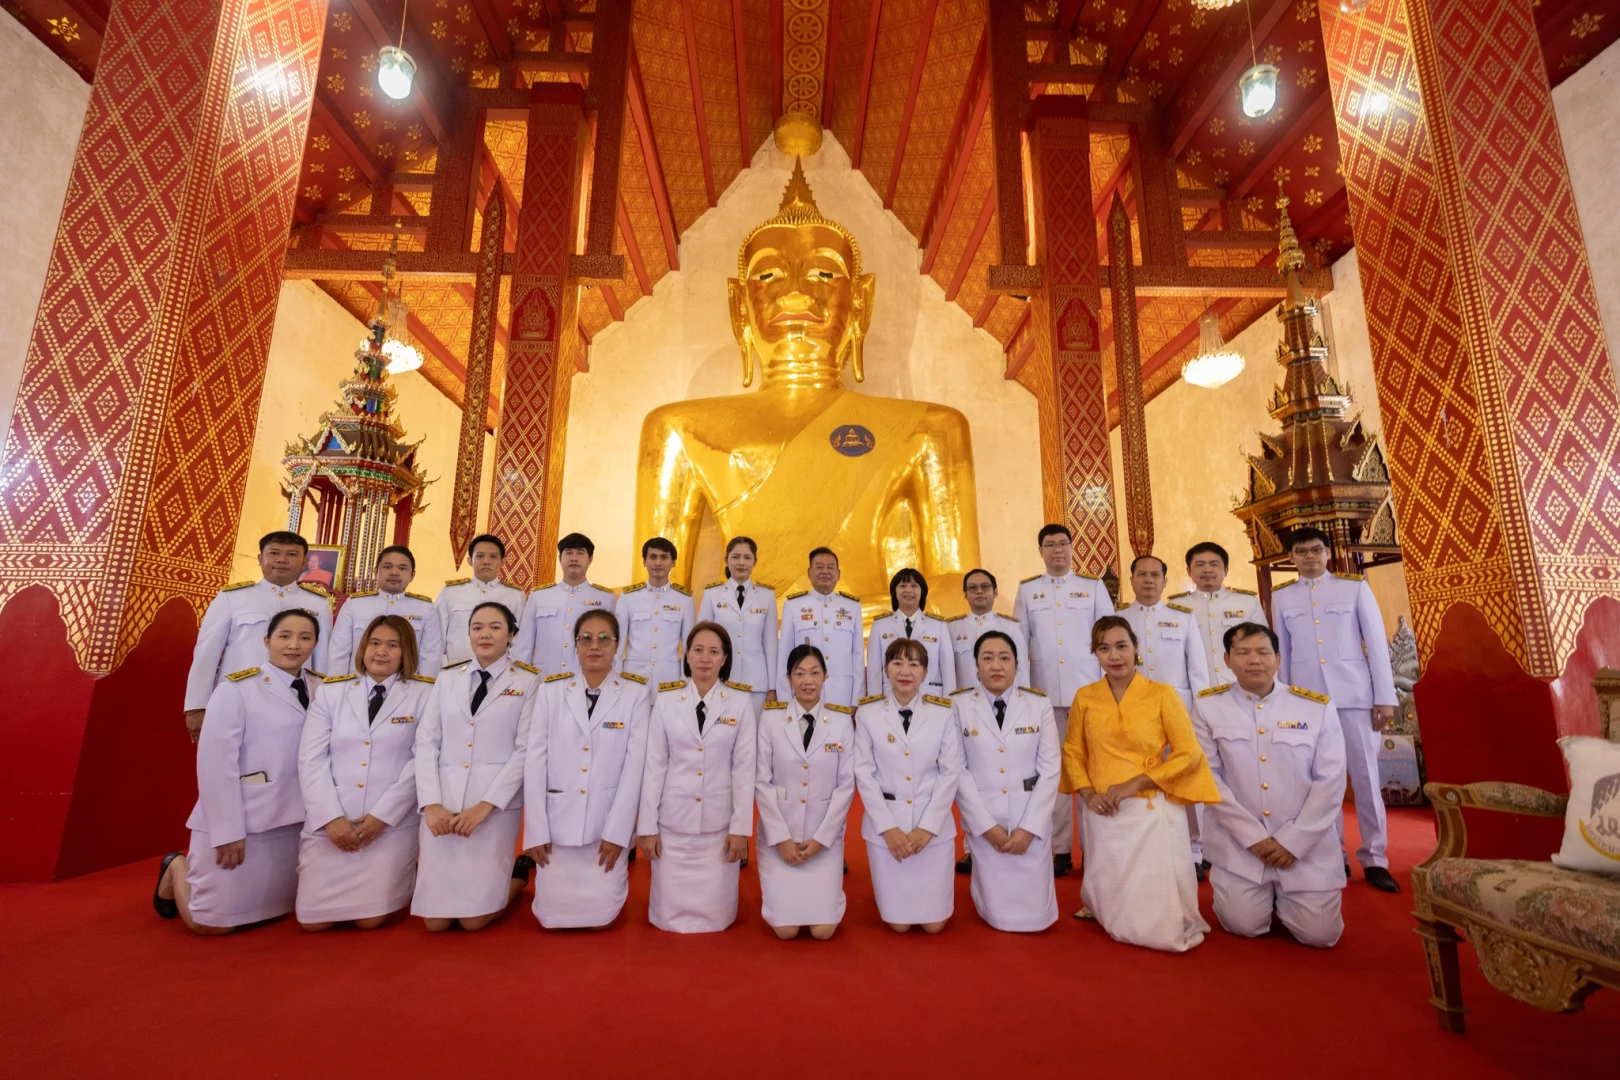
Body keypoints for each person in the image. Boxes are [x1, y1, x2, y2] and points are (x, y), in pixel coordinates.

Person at [154, 609, 324, 933]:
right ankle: (176, 866)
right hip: (244, 820)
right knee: (211, 925)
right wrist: (228, 832)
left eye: (305, 637)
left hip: (293, 822)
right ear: (266, 640)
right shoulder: (237, 689)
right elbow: (215, 765)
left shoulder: (322, 688)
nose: (294, 645)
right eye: (284, 636)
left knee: (278, 911)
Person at [1062, 616, 1220, 953]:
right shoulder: (1085, 697)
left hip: (1150, 804)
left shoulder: (1162, 694)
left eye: (1121, 646)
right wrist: (1088, 794)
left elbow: (1188, 754)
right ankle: (1101, 904)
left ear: (1136, 649)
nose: (1114, 655)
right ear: (1095, 653)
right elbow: (1073, 751)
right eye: (1104, 648)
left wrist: (1137, 783)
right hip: (1102, 805)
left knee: (1156, 922)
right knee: (1108, 892)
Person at [1194, 623, 1347, 948]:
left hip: (1305, 847)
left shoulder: (1315, 707)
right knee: (1242, 925)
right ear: (1226, 660)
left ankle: (1287, 897)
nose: (1254, 660)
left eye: (1263, 652)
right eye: (1243, 653)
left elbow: (1330, 782)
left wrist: (1293, 841)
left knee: (1321, 937)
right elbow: (1208, 778)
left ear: (1278, 658)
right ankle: (1266, 897)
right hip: (1241, 845)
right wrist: (1253, 839)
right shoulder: (1208, 707)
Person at [1271, 527, 1401, 894]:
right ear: (1291, 558)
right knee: (1317, 783)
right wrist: (1282, 698)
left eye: (1316, 550)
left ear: (1327, 553)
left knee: (1366, 780)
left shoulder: (1354, 587)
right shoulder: (1282, 597)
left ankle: (1375, 859)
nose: (1309, 557)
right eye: (1301, 552)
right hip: (1306, 702)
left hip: (1355, 699)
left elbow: (1376, 643)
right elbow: (1284, 654)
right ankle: (1333, 855)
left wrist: (1385, 697)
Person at [295, 614, 434, 931]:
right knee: (313, 923)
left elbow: (421, 761)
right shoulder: (332, 693)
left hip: (389, 824)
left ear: (406, 652)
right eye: (374, 643)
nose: (381, 652)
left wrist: (381, 818)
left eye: (392, 645)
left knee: (369, 920)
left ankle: (407, 872)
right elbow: (311, 759)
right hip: (331, 821)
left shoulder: (425, 695)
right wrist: (330, 819)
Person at [522, 610, 652, 930]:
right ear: (575, 646)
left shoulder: (635, 694)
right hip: (557, 826)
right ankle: (516, 879)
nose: (595, 645)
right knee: (550, 919)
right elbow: (534, 761)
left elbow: (634, 768)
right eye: (586, 639)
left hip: (604, 825)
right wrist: (535, 830)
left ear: (617, 646)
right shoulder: (551, 692)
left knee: (600, 921)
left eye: (604, 638)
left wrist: (618, 832)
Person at [412, 601, 537, 931]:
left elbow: (525, 751)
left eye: (496, 627)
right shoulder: (448, 677)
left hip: (492, 808)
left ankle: (518, 877)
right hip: (444, 802)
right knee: (435, 924)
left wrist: (486, 806)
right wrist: (431, 804)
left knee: (473, 921)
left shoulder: (528, 682)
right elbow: (426, 744)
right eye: (477, 627)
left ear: (511, 635)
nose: (485, 634)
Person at [639, 623, 757, 933]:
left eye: (714, 651)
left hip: (718, 825)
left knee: (718, 918)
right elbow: (654, 766)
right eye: (698, 650)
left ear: (725, 658)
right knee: (666, 917)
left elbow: (744, 769)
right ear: (687, 656)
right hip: (673, 823)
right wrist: (647, 826)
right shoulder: (666, 700)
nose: (705, 658)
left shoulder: (740, 703)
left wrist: (740, 828)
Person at [1013, 523, 1113, 875]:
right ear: (1040, 551)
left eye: (1063, 544)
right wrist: (1025, 694)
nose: (1057, 550)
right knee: (1052, 774)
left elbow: (1109, 639)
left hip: (1088, 694)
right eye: (1050, 545)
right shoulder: (1028, 591)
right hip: (1043, 697)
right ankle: (1059, 849)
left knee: (1089, 771)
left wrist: (1107, 690)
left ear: (1073, 548)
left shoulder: (1092, 587)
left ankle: (1093, 847)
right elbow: (1019, 646)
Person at [853, 639, 963, 933]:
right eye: (897, 663)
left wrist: (927, 827)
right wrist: (888, 829)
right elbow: (863, 773)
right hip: (888, 827)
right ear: (886, 669)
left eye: (914, 664)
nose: (905, 671)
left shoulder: (943, 712)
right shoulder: (868, 713)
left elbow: (951, 772)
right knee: (898, 925)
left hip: (932, 827)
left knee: (934, 925)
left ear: (925, 672)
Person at [952, 631, 1059, 932]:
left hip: (1030, 819)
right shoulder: (958, 706)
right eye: (987, 658)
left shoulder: (1039, 704)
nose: (996, 666)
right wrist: (985, 827)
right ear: (976, 665)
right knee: (995, 912)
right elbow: (957, 771)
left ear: (1017, 664)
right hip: (987, 821)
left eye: (1004, 658)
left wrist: (1029, 827)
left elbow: (1050, 769)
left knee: (1036, 916)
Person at [183, 531, 333, 742]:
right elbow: (207, 652)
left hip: (297, 700)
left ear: (304, 562)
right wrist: (196, 705)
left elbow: (322, 658)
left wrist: (324, 705)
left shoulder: (318, 603)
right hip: (239, 697)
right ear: (260, 558)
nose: (282, 560)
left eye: (291, 554)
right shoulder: (232, 597)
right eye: (274, 553)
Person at [1117, 553, 1213, 876]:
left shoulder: (1182, 618)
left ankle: (1194, 851)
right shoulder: (1117, 620)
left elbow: (1198, 672)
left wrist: (1200, 714)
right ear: (1131, 580)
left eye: (1154, 575)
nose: (1147, 580)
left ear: (1164, 581)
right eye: (1141, 574)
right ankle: (1146, 847)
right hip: (1132, 713)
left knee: (1183, 778)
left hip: (1178, 713)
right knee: (1135, 779)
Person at [755, 645, 857, 940]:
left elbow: (846, 786)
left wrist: (821, 839)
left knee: (824, 930)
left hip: (821, 839)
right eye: (799, 674)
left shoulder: (840, 722)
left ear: (826, 677)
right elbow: (762, 781)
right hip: (780, 838)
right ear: (788, 678)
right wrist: (782, 839)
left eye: (814, 673)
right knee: (785, 931)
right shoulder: (772, 719)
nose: (807, 681)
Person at [514, 531, 617, 676]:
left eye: (580, 553)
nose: (574, 558)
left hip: (586, 679)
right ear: (559, 558)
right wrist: (521, 680)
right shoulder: (539, 596)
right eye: (568, 553)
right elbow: (524, 644)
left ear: (590, 559)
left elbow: (611, 644)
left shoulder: (606, 598)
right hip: (544, 679)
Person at [332, 545, 444, 678]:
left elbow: (431, 656)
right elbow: (339, 651)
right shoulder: (354, 604)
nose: (394, 572)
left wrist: (425, 692)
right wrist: (337, 689)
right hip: (358, 685)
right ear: (375, 572)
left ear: (412, 575)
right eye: (387, 567)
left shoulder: (426, 609)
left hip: (407, 689)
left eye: (402, 568)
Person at [697, 537, 779, 713]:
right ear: (726, 560)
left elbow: (771, 645)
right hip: (721, 679)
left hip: (756, 683)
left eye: (747, 558)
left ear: (755, 561)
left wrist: (773, 686)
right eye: (735, 557)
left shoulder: (767, 595)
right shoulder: (712, 594)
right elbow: (701, 641)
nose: (741, 563)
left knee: (755, 737)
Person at [778, 547, 865, 708]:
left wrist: (857, 701)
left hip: (842, 694)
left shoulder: (852, 606)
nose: (825, 572)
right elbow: (784, 654)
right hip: (804, 695)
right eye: (819, 567)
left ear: (838, 574)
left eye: (830, 567)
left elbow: (858, 656)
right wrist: (785, 700)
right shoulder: (793, 605)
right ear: (809, 572)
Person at [1170, 541, 1266, 686]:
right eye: (1200, 565)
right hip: (1196, 688)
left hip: (1239, 685)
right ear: (1188, 571)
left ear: (1226, 570)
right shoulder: (1176, 606)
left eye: (1214, 564)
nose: (1207, 570)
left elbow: (1264, 644)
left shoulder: (1247, 602)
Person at [434, 534, 526, 668]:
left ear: (503, 561)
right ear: (470, 560)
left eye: (493, 557)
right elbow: (437, 637)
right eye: (480, 556)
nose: (486, 561)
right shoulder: (450, 592)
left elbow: (519, 640)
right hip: (456, 669)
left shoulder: (515, 595)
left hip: (500, 670)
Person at [615, 537, 694, 684]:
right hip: (633, 677)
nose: (658, 563)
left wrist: (685, 681)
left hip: (669, 679)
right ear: (644, 562)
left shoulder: (684, 599)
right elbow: (618, 642)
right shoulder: (628, 597)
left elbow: (689, 646)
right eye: (653, 557)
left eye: (664, 557)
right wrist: (616, 677)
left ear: (673, 562)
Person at [866, 568, 954, 698]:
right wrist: (875, 704)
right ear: (894, 592)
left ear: (922, 592)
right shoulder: (880, 625)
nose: (908, 590)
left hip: (930, 698)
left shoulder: (938, 625)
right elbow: (874, 669)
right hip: (890, 699)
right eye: (902, 586)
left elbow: (948, 669)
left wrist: (949, 705)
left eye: (914, 586)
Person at [947, 569, 1029, 693]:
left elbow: (1021, 669)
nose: (979, 591)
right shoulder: (952, 628)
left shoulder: (1010, 627)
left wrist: (1020, 701)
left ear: (995, 592)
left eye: (985, 587)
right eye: (973, 588)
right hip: (964, 702)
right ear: (965, 594)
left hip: (1002, 702)